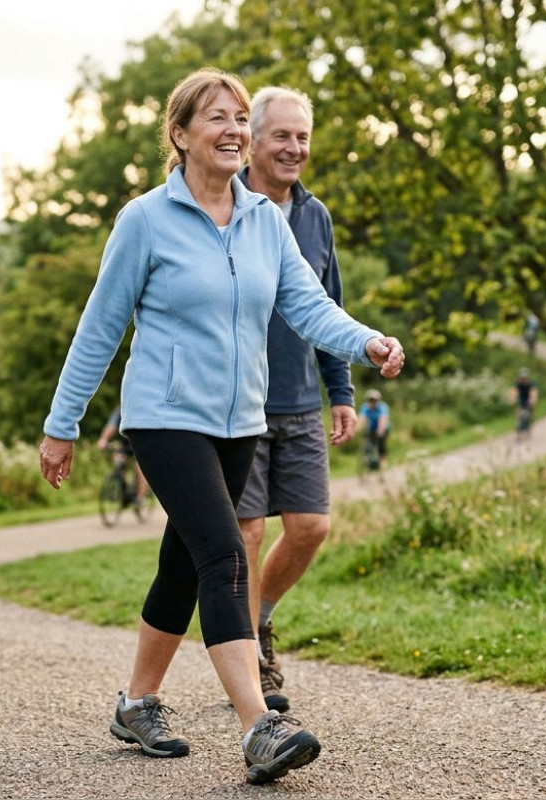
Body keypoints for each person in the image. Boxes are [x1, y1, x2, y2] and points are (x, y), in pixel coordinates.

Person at [37, 67, 405, 786]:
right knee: (226, 556)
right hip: (166, 417)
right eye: (217, 118)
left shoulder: (266, 220)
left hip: (242, 420)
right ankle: (258, 726)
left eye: (241, 117)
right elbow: (100, 328)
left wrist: (365, 341)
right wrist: (63, 424)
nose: (235, 129)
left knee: (184, 562)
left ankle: (137, 703)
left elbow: (308, 306)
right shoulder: (145, 220)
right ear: (180, 135)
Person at [234, 86, 354, 714]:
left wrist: (341, 390)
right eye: (281, 135)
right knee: (247, 533)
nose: (294, 148)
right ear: (251, 140)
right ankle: (249, 657)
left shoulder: (315, 216)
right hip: (241, 403)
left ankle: (260, 618)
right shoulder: (226, 208)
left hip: (302, 400)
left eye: (302, 136)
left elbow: (324, 308)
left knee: (310, 527)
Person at [96, 406, 148, 506]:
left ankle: (140, 498)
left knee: (139, 468)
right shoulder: (120, 410)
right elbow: (111, 426)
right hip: (125, 444)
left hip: (139, 442)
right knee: (118, 462)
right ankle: (125, 488)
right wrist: (103, 439)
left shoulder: (140, 408)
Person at [360, 389, 390, 470]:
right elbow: (361, 419)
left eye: (374, 400)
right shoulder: (365, 407)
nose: (372, 402)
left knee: (381, 442)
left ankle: (382, 460)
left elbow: (382, 419)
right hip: (372, 428)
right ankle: (367, 461)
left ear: (377, 401)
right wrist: (356, 430)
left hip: (383, 428)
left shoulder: (382, 407)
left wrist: (380, 430)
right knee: (368, 444)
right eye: (370, 400)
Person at [511, 367, 538, 441]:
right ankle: (518, 433)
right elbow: (514, 392)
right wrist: (513, 400)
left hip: (528, 399)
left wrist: (532, 401)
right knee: (519, 415)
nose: (523, 379)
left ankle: (530, 423)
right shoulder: (517, 383)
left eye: (525, 377)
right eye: (522, 378)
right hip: (521, 400)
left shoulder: (531, 383)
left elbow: (533, 393)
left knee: (530, 412)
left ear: (528, 377)